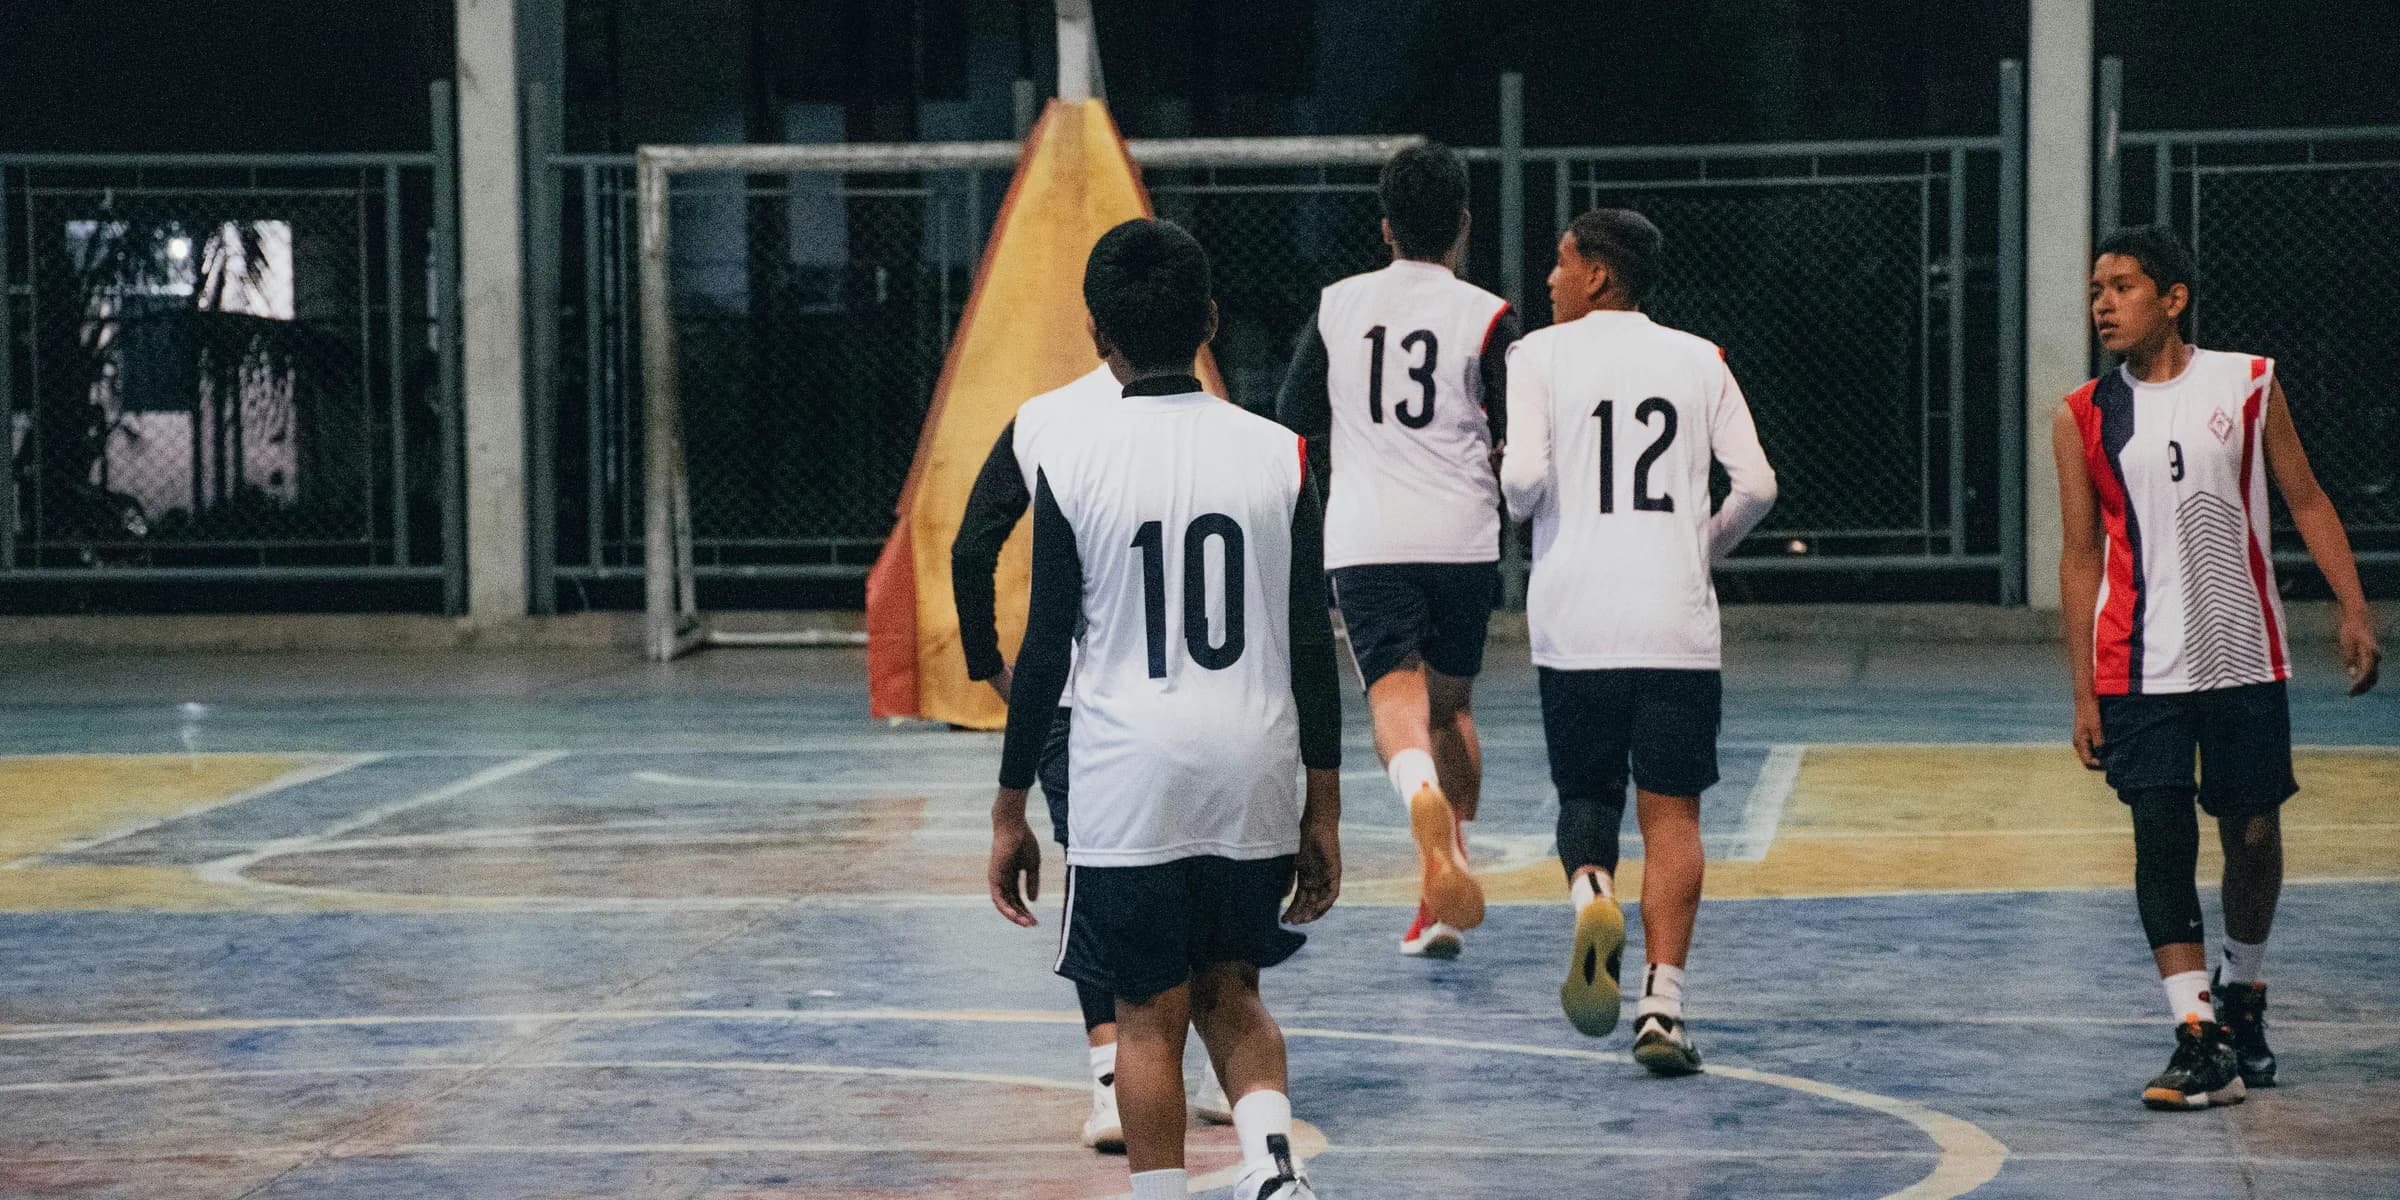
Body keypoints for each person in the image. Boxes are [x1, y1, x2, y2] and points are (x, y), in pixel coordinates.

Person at [987, 218, 1344, 1200]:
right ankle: (1273, 1169)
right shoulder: (1281, 455)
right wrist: (1324, 804)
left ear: (1097, 331)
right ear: (1211, 321)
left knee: (1147, 1014)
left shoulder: (1071, 459)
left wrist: (1010, 805)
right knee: (1234, 988)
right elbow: (1311, 644)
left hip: (1128, 772)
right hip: (1251, 763)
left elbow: (1046, 648)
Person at [2052, 225, 2382, 1111]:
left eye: (2123, 286)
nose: (2103, 304)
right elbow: (2080, 557)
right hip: (2137, 663)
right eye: (2096, 289)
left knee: (2254, 835)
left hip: (2242, 650)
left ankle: (2242, 993)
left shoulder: (2247, 383)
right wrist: (2083, 689)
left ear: (2174, 299)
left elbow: (2306, 497)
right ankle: (2196, 1033)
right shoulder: (2081, 414)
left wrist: (2353, 607)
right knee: (2160, 836)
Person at [1499, 209, 1776, 1071]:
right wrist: (1700, 545)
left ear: (1598, 276)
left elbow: (1524, 479)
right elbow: (1758, 486)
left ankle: (1592, 892)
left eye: (1561, 262)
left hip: (1576, 621)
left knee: (1587, 797)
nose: (1550, 279)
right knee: (1674, 814)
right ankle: (1662, 1006)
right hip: (1673, 622)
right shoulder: (1700, 359)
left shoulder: (1536, 356)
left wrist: (1522, 499)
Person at [952, 364, 1236, 1150]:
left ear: (1097, 328)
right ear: (1206, 323)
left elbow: (971, 548)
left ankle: (1113, 1080)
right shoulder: (1227, 426)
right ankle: (1222, 1064)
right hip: (1205, 689)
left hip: (1082, 696)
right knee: (1209, 861)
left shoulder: (1045, 419)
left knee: (1097, 872)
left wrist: (988, 666)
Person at [1275, 143, 1518, 957]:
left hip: (1370, 533)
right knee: (1451, 708)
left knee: (1394, 698)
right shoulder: (1489, 316)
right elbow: (1516, 433)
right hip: (1462, 535)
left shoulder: (1338, 306)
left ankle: (1419, 797)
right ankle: (1443, 888)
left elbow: (1293, 415)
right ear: (1463, 225)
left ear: (1385, 227)